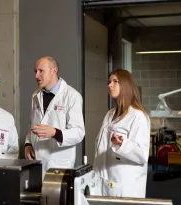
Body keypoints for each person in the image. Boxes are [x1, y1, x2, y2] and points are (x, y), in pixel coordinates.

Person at [93, 69, 150, 198]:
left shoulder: (137, 116)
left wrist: (122, 144)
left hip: (125, 184)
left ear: (125, 85)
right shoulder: (110, 114)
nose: (110, 85)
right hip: (104, 178)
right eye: (108, 82)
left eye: (115, 82)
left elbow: (142, 155)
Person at [24, 56, 85, 176]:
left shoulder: (72, 96)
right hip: (37, 161)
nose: (36, 76)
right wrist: (28, 144)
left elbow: (78, 133)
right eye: (35, 71)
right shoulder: (35, 95)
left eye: (41, 71)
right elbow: (32, 125)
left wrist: (54, 133)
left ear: (54, 71)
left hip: (59, 164)